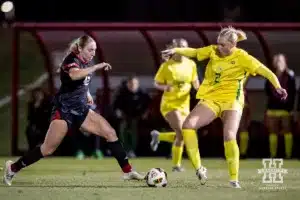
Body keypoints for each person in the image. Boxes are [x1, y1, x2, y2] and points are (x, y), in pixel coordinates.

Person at [3, 35, 144, 186]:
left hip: (81, 109)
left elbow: (81, 83)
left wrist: (88, 94)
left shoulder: (86, 62)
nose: (93, 53)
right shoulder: (71, 60)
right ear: (80, 49)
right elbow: (74, 75)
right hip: (64, 110)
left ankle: (128, 172)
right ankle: (12, 168)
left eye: (95, 50)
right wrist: (96, 67)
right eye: (90, 50)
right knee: (47, 149)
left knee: (110, 133)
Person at [161, 26, 287, 188]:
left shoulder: (243, 57)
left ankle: (234, 179)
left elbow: (265, 71)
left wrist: (277, 86)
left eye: (222, 44)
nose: (218, 46)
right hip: (211, 99)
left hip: (232, 101)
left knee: (229, 135)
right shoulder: (213, 51)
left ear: (232, 45)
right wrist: (175, 50)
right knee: (188, 126)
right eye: (218, 43)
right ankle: (199, 168)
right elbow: (193, 52)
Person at [150, 38, 199, 172]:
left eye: (185, 47)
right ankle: (176, 166)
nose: (182, 50)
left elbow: (195, 81)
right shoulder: (167, 66)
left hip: (185, 105)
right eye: (179, 47)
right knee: (182, 132)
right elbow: (156, 83)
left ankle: (158, 136)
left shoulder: (191, 64)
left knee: (182, 135)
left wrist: (200, 90)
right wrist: (165, 87)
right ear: (174, 49)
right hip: (170, 104)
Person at [265, 54, 296, 159]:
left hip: (285, 109)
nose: (279, 63)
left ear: (284, 62)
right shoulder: (271, 75)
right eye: (277, 61)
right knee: (273, 132)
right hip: (272, 109)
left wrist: (291, 109)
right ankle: (273, 155)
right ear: (274, 63)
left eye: (281, 61)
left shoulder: (290, 76)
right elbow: (267, 92)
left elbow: (293, 93)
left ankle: (288, 155)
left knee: (287, 131)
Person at [113, 76, 151, 158]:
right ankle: (125, 150)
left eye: (134, 84)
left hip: (137, 117)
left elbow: (148, 105)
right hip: (124, 116)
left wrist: (145, 113)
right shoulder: (121, 92)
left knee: (134, 131)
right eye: (130, 83)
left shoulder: (142, 93)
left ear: (137, 84)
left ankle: (132, 150)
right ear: (127, 84)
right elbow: (115, 105)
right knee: (123, 130)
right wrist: (118, 112)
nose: (132, 85)